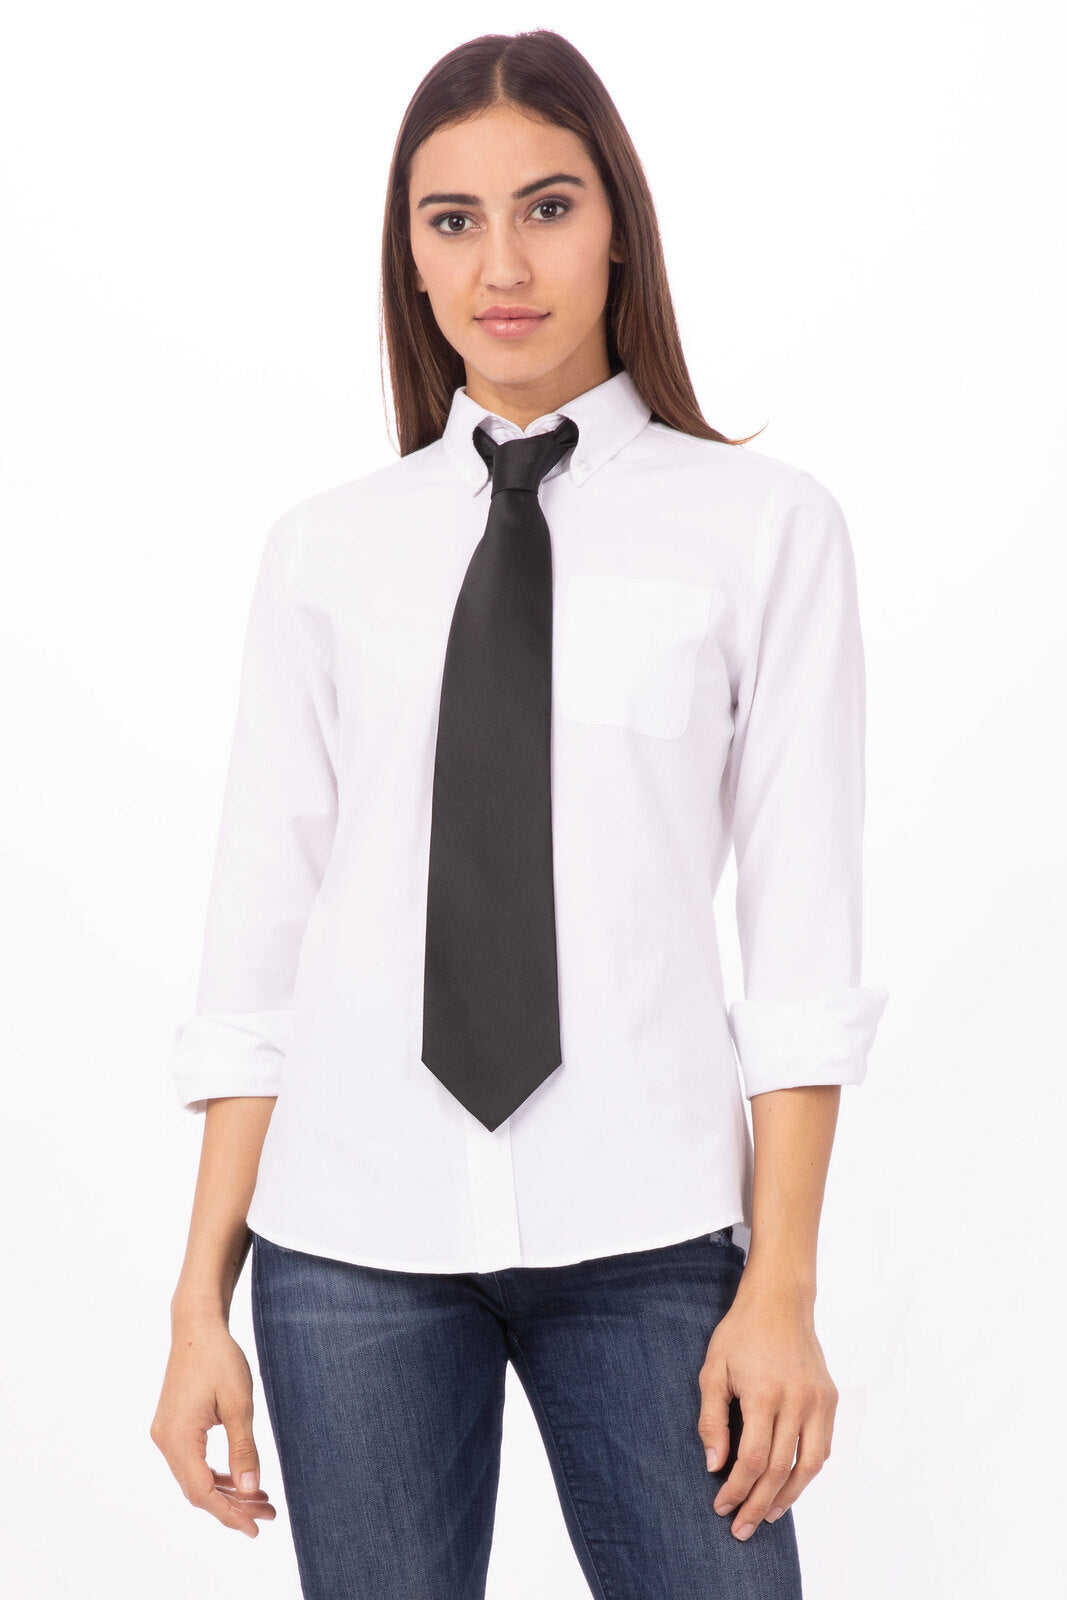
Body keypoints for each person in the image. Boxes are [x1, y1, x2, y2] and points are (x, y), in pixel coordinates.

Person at [150, 28, 888, 1600]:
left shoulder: (765, 532)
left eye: (548, 208)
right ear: (408, 255)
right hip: (348, 1246)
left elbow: (806, 952)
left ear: (618, 224)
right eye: (453, 219)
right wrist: (197, 1304)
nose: (502, 265)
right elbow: (257, 956)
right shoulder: (325, 553)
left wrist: (783, 1289)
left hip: (652, 1233)